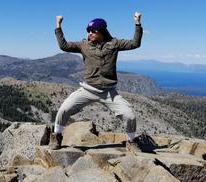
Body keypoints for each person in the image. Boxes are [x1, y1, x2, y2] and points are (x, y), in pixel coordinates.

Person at [49, 12, 143, 153]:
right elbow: (64, 46)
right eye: (88, 31)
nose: (90, 33)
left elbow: (135, 43)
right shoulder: (84, 45)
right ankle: (57, 136)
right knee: (64, 110)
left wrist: (137, 23)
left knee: (129, 115)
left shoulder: (114, 44)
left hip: (108, 92)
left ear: (102, 31)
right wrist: (58, 26)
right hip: (88, 89)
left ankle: (131, 141)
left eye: (93, 31)